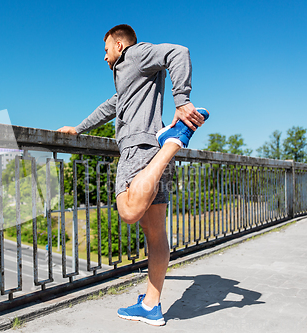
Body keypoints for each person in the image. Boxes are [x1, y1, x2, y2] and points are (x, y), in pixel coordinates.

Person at [57, 24, 209, 326]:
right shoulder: (130, 80)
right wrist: (79, 127)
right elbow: (112, 105)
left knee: (128, 210)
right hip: (152, 155)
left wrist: (182, 100)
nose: (104, 58)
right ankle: (151, 305)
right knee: (155, 235)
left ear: (119, 45)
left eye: (105, 50)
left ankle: (175, 140)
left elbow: (179, 52)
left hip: (140, 149)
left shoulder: (135, 56)